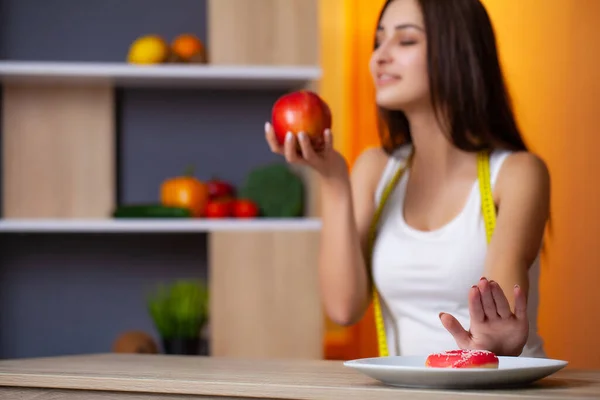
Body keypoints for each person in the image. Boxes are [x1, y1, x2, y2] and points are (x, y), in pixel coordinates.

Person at [265, 0, 549, 358]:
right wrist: (335, 181)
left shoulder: (517, 173)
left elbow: (499, 319)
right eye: (378, 41)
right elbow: (343, 308)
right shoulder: (376, 169)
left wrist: (495, 345)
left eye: (406, 41)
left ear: (458, 52)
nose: (379, 57)